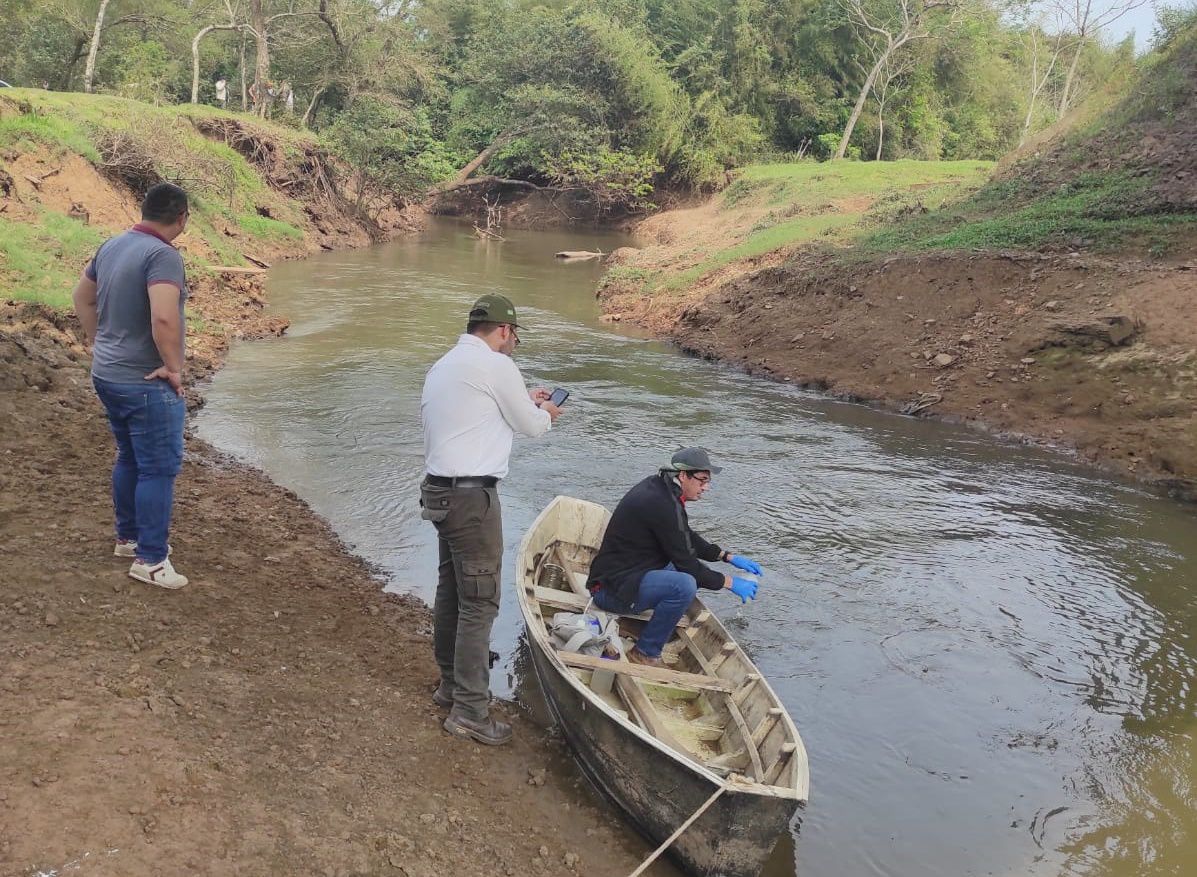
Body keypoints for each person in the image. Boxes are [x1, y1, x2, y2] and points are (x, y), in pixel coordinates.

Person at [420, 293, 563, 745]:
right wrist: (546, 410)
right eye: (514, 335)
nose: (513, 342)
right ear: (503, 330)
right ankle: (470, 711)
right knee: (480, 603)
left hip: (440, 491)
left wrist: (525, 399)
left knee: (452, 591)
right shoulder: (498, 366)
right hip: (472, 500)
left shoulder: (445, 364)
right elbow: (533, 427)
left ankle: (450, 686)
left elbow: (479, 416)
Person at [72, 183, 191, 590]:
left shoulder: (112, 244)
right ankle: (152, 560)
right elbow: (163, 318)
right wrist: (173, 367)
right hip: (145, 380)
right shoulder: (163, 256)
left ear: (144, 210)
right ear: (182, 218)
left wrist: (99, 343)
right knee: (157, 467)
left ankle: (128, 538)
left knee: (129, 456)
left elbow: (82, 298)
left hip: (108, 374)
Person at [586, 448, 763, 666]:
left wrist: (725, 556)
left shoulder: (661, 489)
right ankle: (645, 652)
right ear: (683, 476)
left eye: (708, 481)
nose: (706, 487)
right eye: (702, 480)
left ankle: (641, 625)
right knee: (685, 584)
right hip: (608, 591)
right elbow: (687, 564)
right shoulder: (663, 504)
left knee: (684, 573)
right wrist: (729, 582)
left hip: (622, 577)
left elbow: (684, 536)